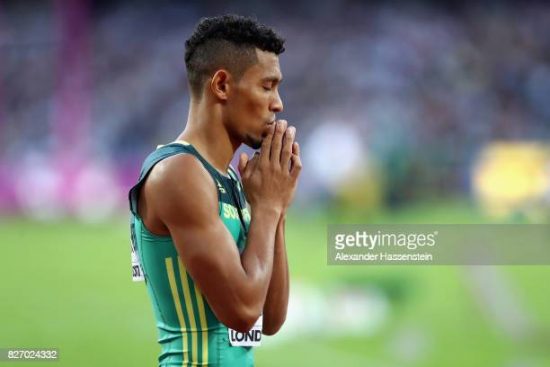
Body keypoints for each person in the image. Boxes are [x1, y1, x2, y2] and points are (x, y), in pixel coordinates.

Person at [128, 14, 302, 366]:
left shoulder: (231, 178)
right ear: (222, 85)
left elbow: (271, 318)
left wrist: (277, 207)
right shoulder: (179, 173)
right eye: (267, 86)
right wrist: (267, 207)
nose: (278, 103)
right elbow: (242, 311)